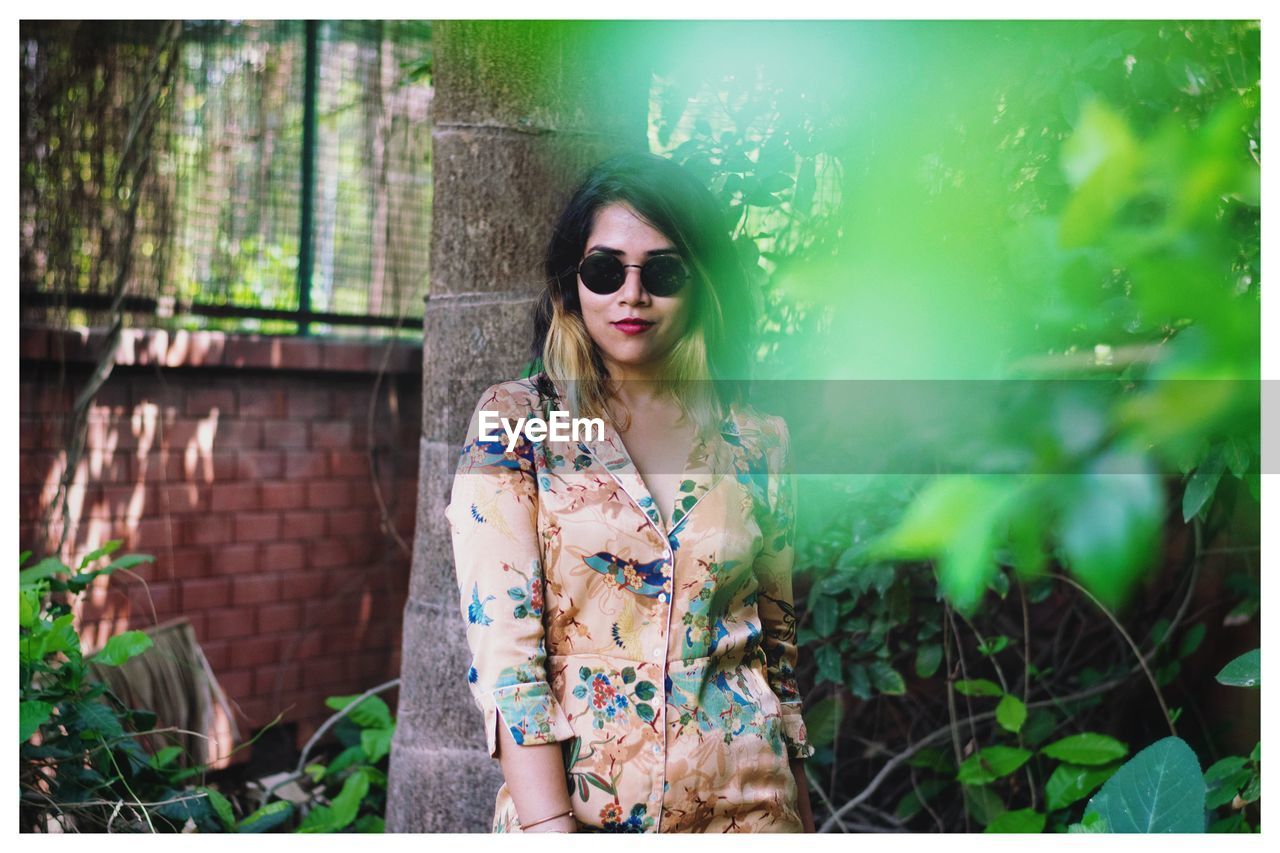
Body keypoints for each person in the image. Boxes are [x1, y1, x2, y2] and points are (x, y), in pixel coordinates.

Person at [445, 151, 814, 833]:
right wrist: (552, 829)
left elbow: (777, 661)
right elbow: (508, 665)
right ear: (571, 283)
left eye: (664, 272)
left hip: (753, 815)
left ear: (700, 284)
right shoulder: (518, 426)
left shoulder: (758, 441)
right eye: (606, 269)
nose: (632, 294)